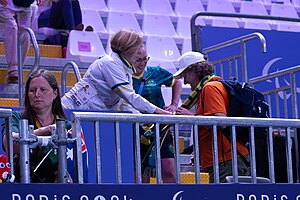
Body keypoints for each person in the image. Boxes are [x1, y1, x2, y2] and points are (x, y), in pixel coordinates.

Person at [174, 51, 250, 183]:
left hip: (226, 160)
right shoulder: (212, 86)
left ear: (193, 70)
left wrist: (191, 116)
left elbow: (220, 121)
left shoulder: (211, 88)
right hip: (222, 160)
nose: (185, 81)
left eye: (185, 75)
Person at [1, 69, 88, 183]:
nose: (37, 94)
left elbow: (79, 164)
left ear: (55, 93)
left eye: (43, 90)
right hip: (21, 185)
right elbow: (8, 142)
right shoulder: (16, 117)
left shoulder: (67, 125)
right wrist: (44, 131)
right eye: (32, 90)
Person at [61, 28, 171, 115]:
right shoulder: (110, 63)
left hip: (87, 113)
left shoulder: (126, 70)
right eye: (137, 47)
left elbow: (126, 104)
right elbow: (130, 97)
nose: (139, 50)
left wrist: (142, 120)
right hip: (70, 110)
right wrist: (159, 111)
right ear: (128, 49)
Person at [132, 46, 182, 183]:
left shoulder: (155, 72)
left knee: (169, 170)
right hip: (136, 130)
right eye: (138, 60)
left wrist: (174, 104)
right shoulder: (123, 77)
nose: (142, 63)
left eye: (145, 59)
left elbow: (176, 82)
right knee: (141, 174)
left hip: (161, 128)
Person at [0, 0, 42, 84]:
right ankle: (14, 69)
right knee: (11, 27)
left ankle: (17, 71)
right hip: (5, 4)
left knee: (25, 35)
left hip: (25, 5)